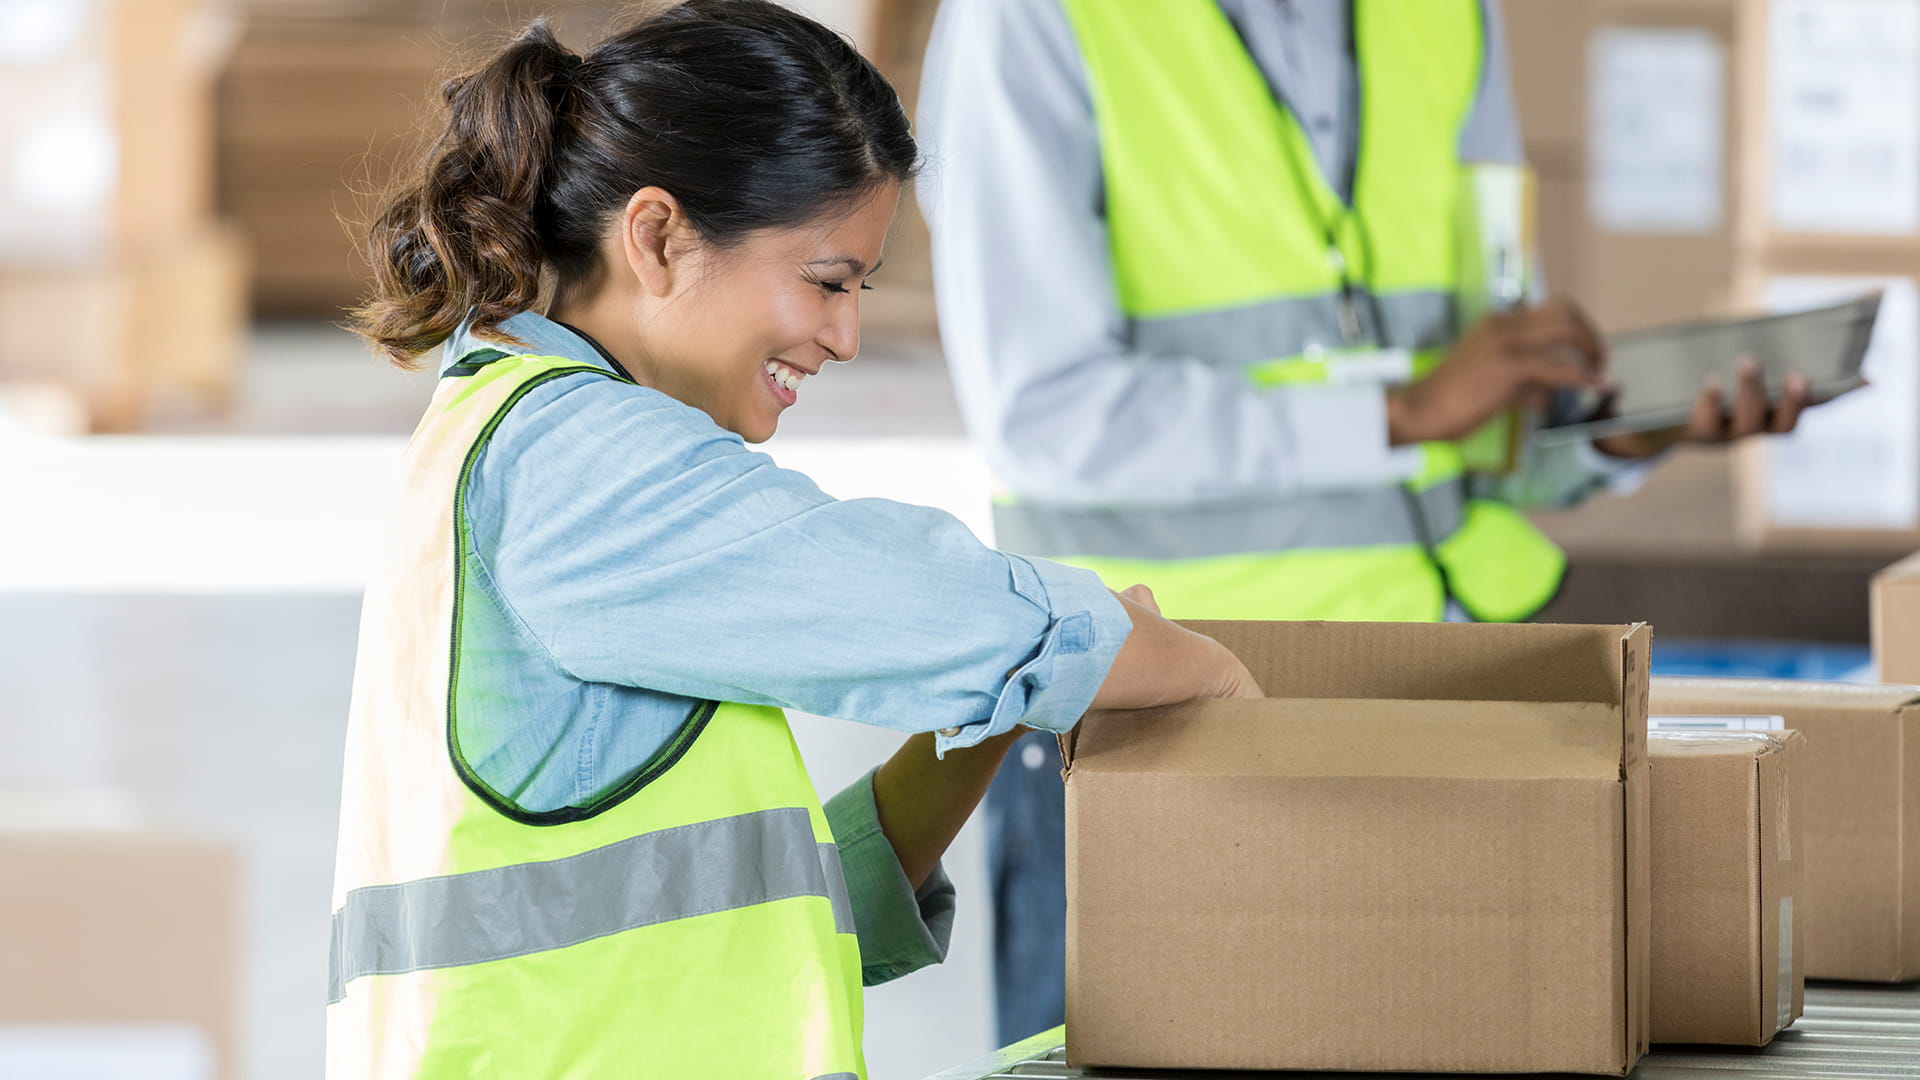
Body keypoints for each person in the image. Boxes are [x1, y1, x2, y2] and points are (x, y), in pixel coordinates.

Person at [325, 3, 1260, 1076]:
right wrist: (1196, 674)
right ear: (659, 236)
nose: (847, 337)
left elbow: (766, 917)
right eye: (828, 281)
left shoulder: (525, 437)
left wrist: (999, 715)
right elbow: (921, 599)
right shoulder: (576, 466)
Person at [916, 0, 1810, 1045]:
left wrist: (1608, 434)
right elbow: (1042, 414)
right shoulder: (1031, 18)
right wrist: (1402, 411)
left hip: (1431, 697)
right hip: (1149, 715)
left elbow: (1463, 411)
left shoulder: (1444, 16)